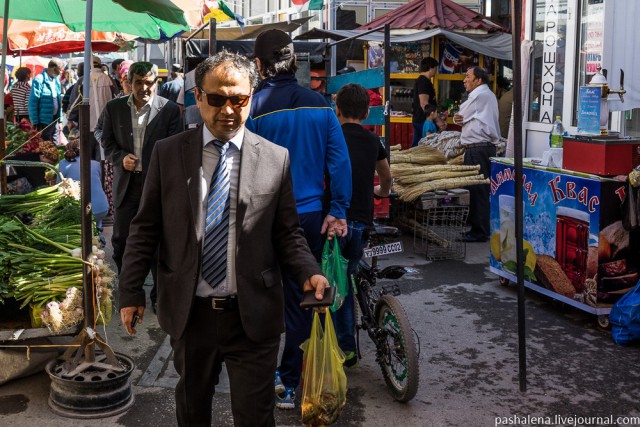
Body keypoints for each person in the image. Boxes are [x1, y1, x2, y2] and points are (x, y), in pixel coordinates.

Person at [118, 50, 329, 427]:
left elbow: (287, 233)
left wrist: (308, 271)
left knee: (255, 417)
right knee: (192, 411)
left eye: (239, 99)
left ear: (251, 97)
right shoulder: (168, 154)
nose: (228, 110)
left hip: (254, 316)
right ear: (198, 98)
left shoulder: (275, 159)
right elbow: (145, 226)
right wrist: (131, 290)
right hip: (190, 314)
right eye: (216, 99)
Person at [247, 28, 352, 410]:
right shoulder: (322, 104)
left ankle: (272, 376)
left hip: (263, 219)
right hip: (309, 218)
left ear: (259, 65)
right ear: (294, 60)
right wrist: (338, 209)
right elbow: (339, 163)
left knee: (259, 297)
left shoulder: (254, 108)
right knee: (300, 298)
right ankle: (292, 380)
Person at [101, 61, 181, 313]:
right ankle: (129, 293)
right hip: (127, 184)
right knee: (122, 241)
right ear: (129, 82)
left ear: (156, 83)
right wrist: (119, 157)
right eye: (139, 82)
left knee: (159, 243)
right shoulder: (114, 108)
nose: (144, 88)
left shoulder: (168, 109)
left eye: (149, 83)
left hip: (157, 186)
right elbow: (106, 140)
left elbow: (177, 146)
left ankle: (159, 296)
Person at [332, 83, 392, 366]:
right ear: (367, 112)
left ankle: (346, 349)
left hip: (335, 221)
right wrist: (380, 192)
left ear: (337, 109)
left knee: (338, 284)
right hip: (361, 223)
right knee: (352, 269)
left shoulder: (331, 137)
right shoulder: (373, 142)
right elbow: (387, 178)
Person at [453, 67, 500, 243]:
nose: (464, 80)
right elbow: (460, 117)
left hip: (478, 149)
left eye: (468, 76)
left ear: (478, 80)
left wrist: (460, 117)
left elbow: (460, 114)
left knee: (477, 189)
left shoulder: (480, 95)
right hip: (481, 148)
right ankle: (477, 228)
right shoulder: (486, 95)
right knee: (477, 189)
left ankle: (479, 231)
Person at [56, 134, 109, 246]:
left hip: (83, 211)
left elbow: (58, 189)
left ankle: (90, 241)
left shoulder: (62, 164)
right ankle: (98, 234)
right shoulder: (95, 164)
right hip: (102, 208)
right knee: (94, 220)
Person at [29, 58, 64, 144]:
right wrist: (35, 121)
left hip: (55, 119)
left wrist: (60, 120)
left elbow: (58, 102)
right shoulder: (39, 79)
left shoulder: (56, 81)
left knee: (55, 143)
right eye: (60, 70)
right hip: (44, 120)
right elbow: (33, 102)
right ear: (54, 68)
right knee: (46, 144)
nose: (61, 72)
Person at [89, 56, 115, 161]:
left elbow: (77, 100)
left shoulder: (84, 79)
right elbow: (115, 98)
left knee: (88, 158)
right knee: (102, 156)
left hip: (88, 124)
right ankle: (101, 176)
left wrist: (71, 116)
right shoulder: (108, 79)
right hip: (105, 124)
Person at [411, 57, 438, 147]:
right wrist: (437, 119)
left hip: (421, 119)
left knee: (418, 146)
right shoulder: (423, 82)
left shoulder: (424, 81)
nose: (436, 71)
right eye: (435, 68)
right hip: (422, 120)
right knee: (421, 147)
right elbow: (424, 104)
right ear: (431, 68)